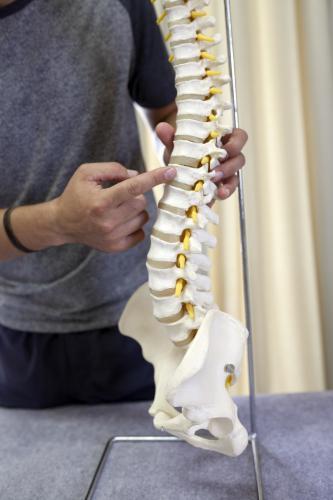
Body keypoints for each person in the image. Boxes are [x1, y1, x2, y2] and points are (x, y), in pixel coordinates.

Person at [0, 0, 248, 408]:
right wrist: (58, 223)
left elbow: (166, 108)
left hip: (146, 317)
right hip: (15, 338)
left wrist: (198, 148)